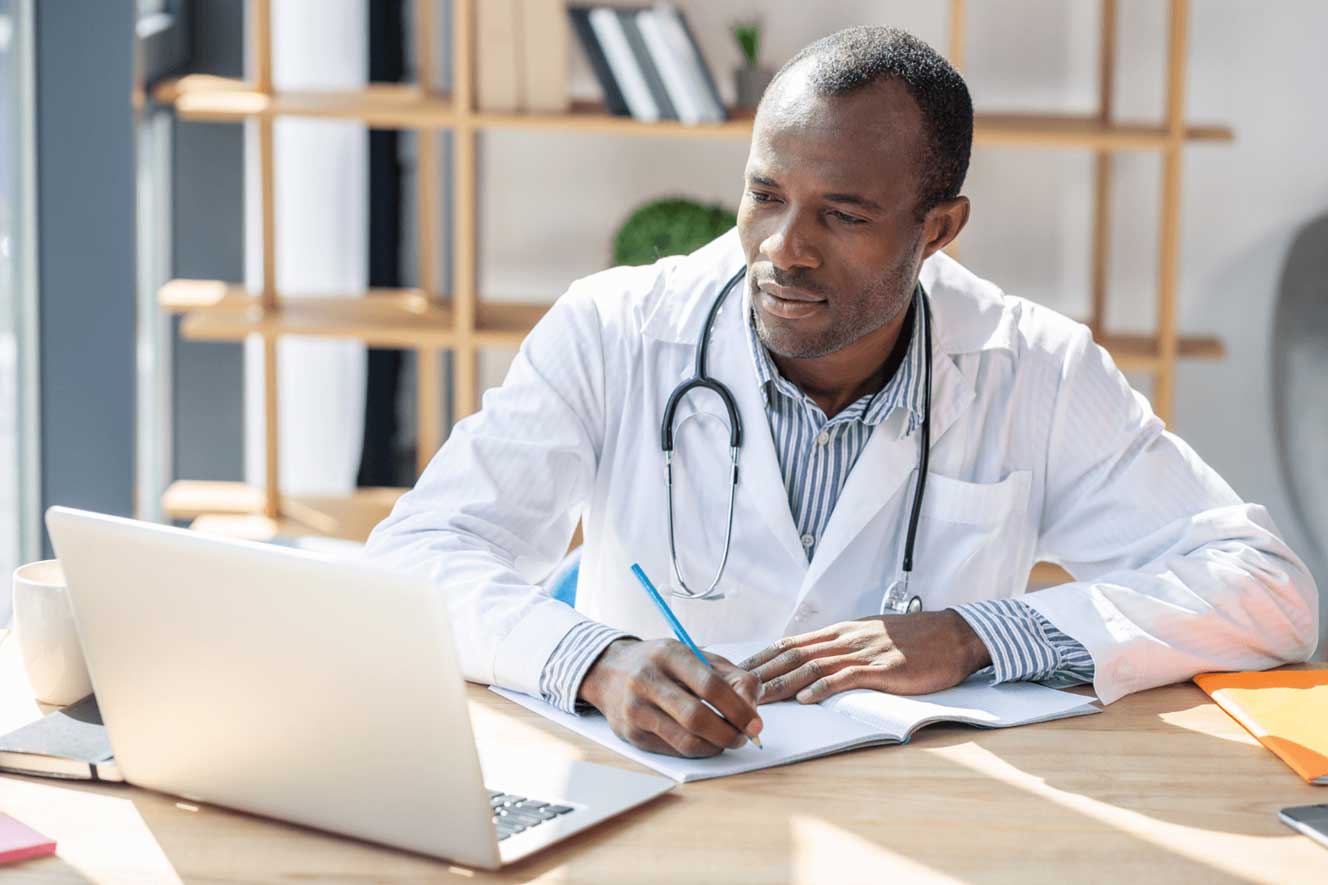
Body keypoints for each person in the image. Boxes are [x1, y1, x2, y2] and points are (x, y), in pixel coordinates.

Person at [365, 27, 1318, 759]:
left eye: (844, 214)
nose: (786, 248)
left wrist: (979, 634)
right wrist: (592, 662)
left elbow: (1268, 589)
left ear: (939, 228)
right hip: (651, 797)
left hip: (922, 813)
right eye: (766, 194)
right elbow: (416, 555)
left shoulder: (1034, 366)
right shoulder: (615, 329)